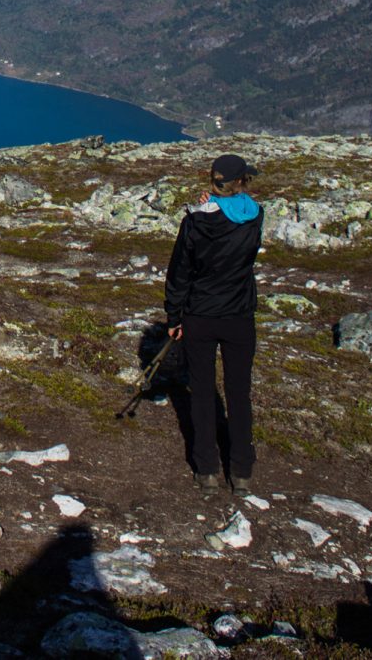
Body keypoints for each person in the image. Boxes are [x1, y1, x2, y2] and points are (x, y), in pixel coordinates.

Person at [164, 152, 264, 494]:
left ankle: (206, 469)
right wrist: (219, 206)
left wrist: (174, 316)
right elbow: (242, 213)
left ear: (212, 182)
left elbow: (179, 273)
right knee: (239, 393)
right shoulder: (255, 217)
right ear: (242, 183)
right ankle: (242, 472)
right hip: (239, 317)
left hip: (200, 316)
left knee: (202, 392)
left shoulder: (194, 222)